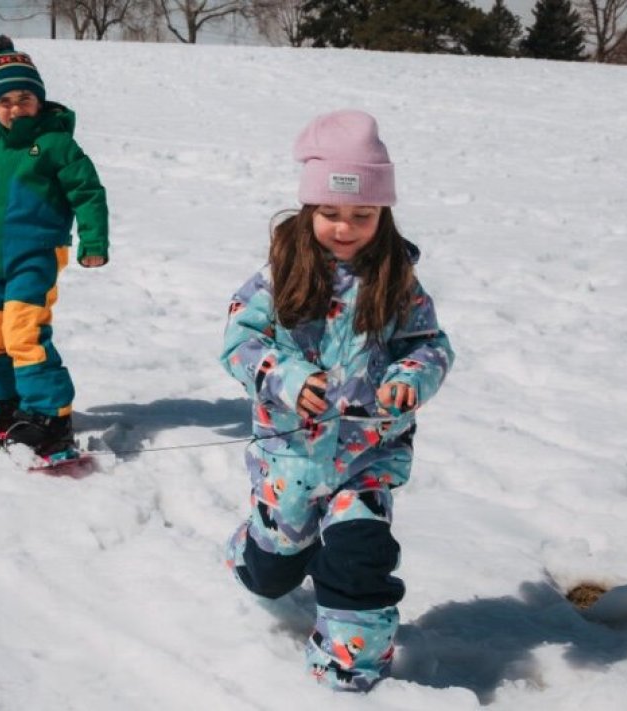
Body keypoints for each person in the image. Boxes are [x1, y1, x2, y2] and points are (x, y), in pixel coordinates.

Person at [220, 109, 454, 691]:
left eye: (362, 214)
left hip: (367, 459)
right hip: (292, 463)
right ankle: (254, 549)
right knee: (274, 572)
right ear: (308, 210)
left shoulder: (397, 281)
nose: (345, 227)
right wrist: (289, 376)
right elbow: (240, 341)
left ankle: (351, 669)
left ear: (384, 214)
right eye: (330, 213)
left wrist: (410, 379)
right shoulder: (281, 275)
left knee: (359, 555)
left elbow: (429, 346)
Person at [0, 34, 108, 457]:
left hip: (36, 254)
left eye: (24, 97)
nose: (15, 107)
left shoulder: (55, 145)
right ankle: (4, 400)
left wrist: (93, 240)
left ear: (39, 99)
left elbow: (88, 192)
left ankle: (50, 417)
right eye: (4, 100)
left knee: (23, 332)